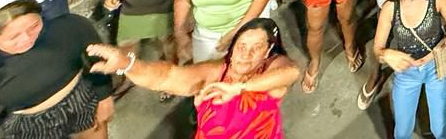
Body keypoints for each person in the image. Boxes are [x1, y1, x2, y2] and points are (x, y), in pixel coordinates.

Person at [87, 16, 299, 139]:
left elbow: (292, 72)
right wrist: (127, 63)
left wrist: (239, 88)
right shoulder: (215, 73)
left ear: (268, 49)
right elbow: (167, 77)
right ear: (233, 46)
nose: (247, 54)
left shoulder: (270, 71)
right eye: (242, 45)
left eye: (257, 47)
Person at [0, 0, 113, 139]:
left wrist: (104, 97)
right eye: (14, 37)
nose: (27, 38)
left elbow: (96, 60)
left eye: (34, 26)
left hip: (82, 100)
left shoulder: (69, 26)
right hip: (29, 125)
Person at [373, 0, 446, 139]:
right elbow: (377, 50)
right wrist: (387, 54)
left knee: (440, 126)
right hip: (407, 73)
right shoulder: (390, 8)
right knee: (403, 129)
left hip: (436, 66)